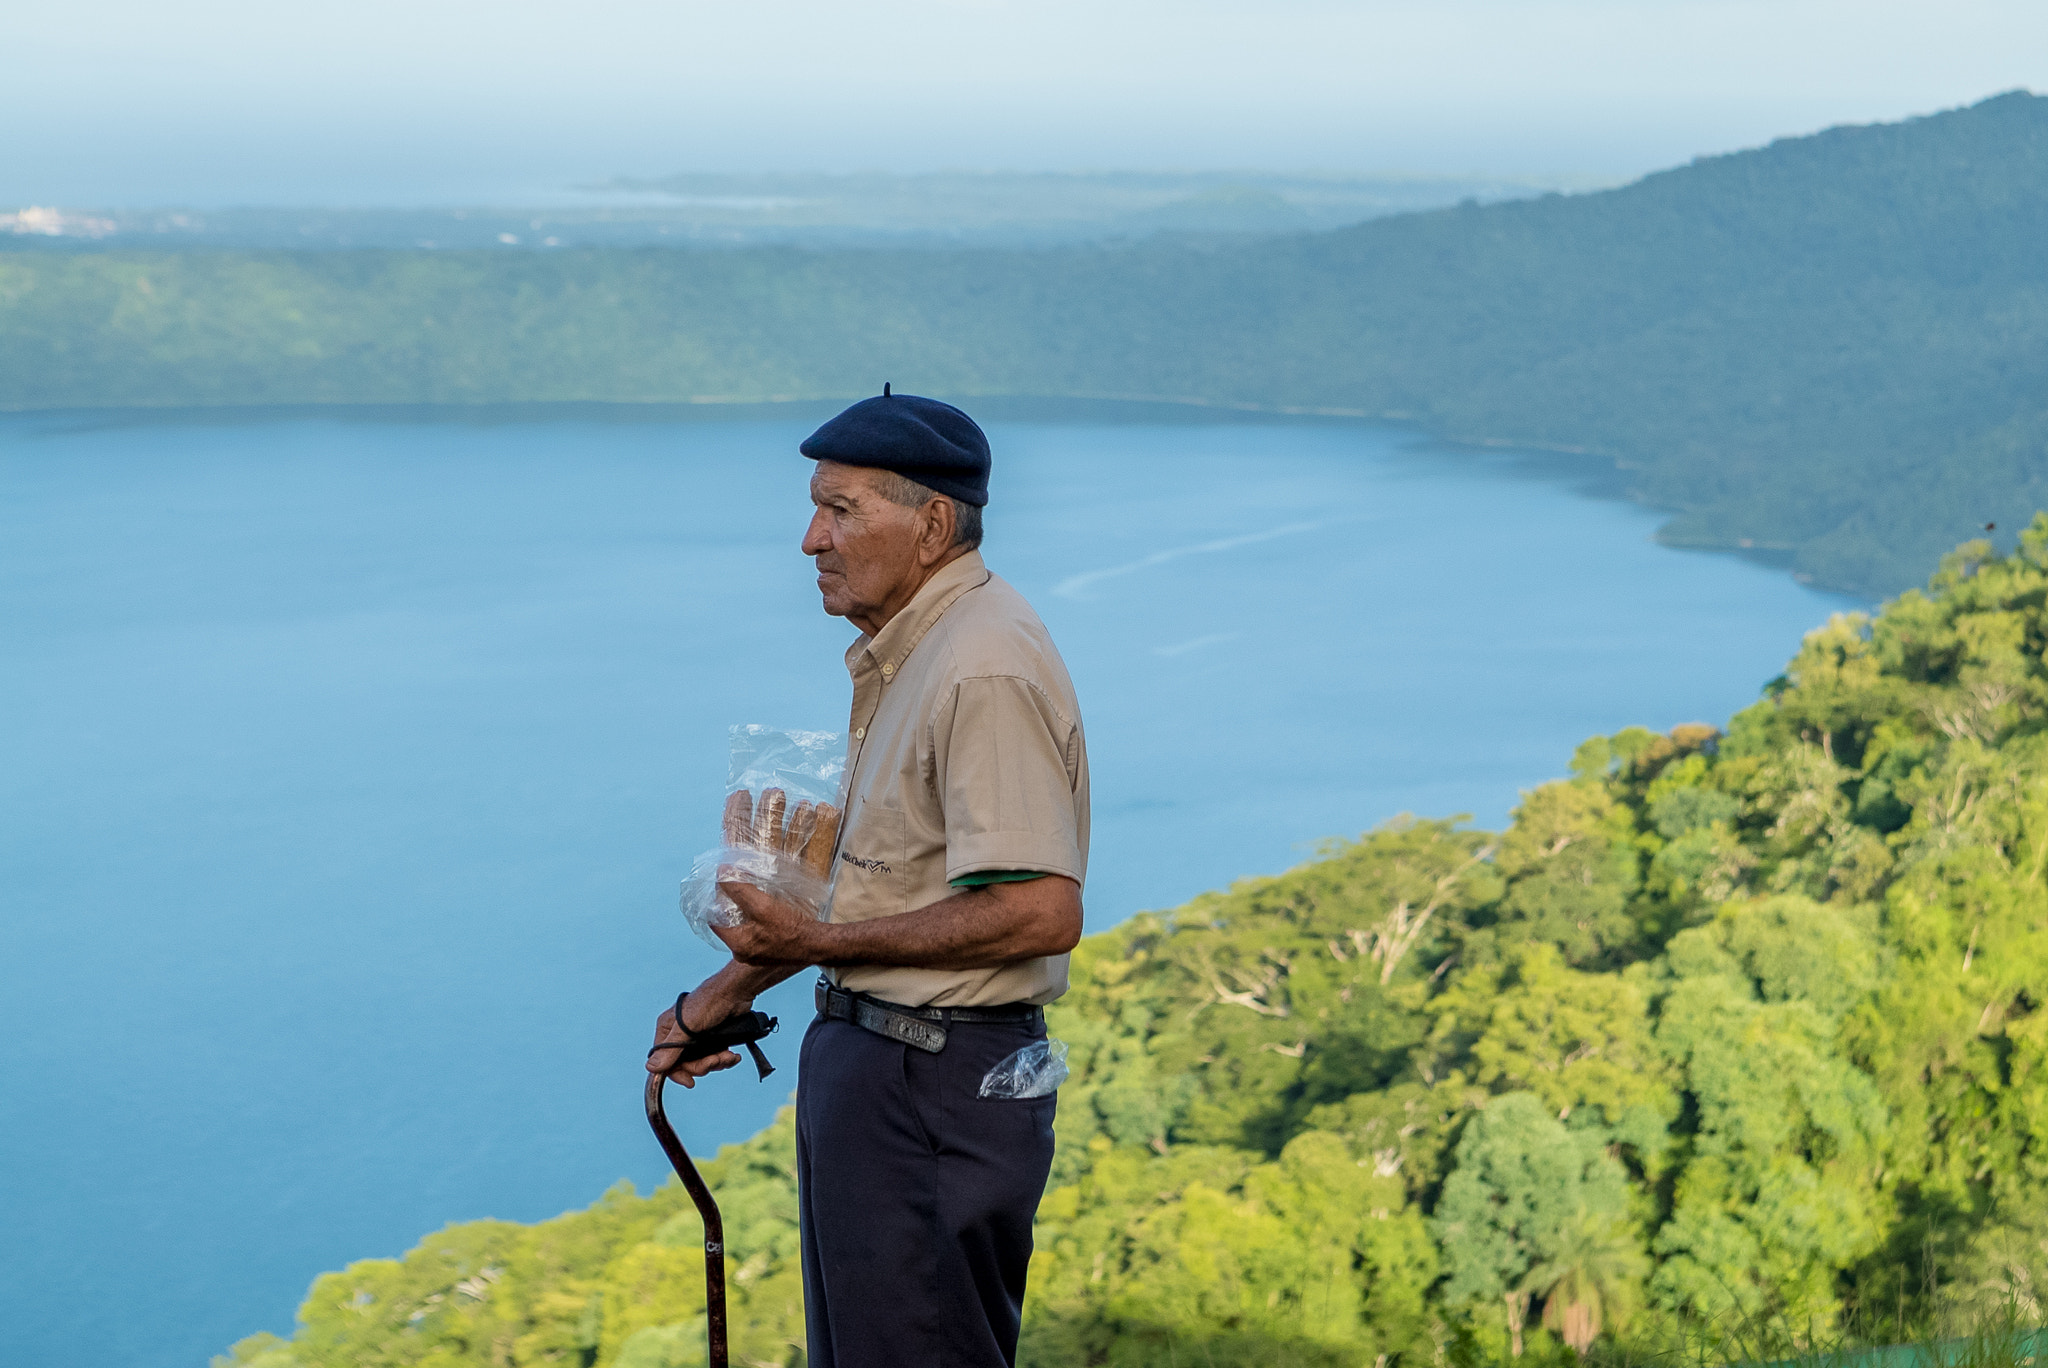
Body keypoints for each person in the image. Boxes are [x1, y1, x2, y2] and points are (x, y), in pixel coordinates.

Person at [646, 388, 1089, 1368]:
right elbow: (900, 883)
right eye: (817, 507)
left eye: (840, 509)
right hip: (890, 1076)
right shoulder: (917, 655)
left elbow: (1039, 910)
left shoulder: (977, 667)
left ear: (932, 523)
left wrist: (815, 946)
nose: (811, 539)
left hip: (926, 1086)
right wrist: (718, 998)